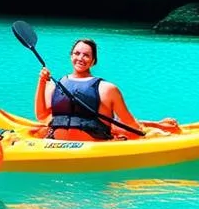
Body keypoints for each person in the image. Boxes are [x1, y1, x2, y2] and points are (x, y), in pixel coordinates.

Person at [34, 37, 179, 142]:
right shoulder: (54, 85)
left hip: (95, 144)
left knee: (121, 127)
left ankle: (159, 125)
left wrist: (141, 134)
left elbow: (131, 125)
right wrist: (41, 82)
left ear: (93, 61)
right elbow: (42, 116)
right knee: (116, 125)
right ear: (71, 56)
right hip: (57, 143)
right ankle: (157, 123)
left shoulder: (107, 89)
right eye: (77, 53)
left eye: (86, 55)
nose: (80, 58)